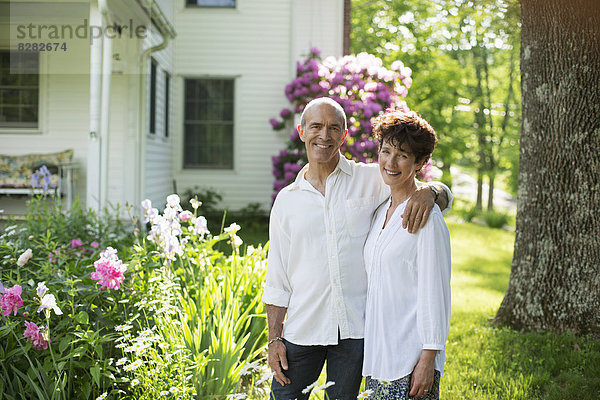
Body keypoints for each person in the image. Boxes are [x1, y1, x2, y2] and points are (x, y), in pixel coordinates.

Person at [262, 97, 453, 400]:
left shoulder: (372, 178)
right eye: (316, 126)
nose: (324, 135)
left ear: (344, 135)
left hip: (355, 333)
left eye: (333, 128)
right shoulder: (286, 201)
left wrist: (432, 191)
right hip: (302, 328)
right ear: (301, 131)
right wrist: (275, 339)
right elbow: (277, 280)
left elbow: (414, 184)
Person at [362, 111, 451, 400]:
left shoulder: (427, 216)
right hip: (378, 355)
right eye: (385, 151)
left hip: (410, 359)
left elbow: (435, 291)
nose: (390, 162)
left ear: (420, 163)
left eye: (402, 155)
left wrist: (428, 358)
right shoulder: (380, 211)